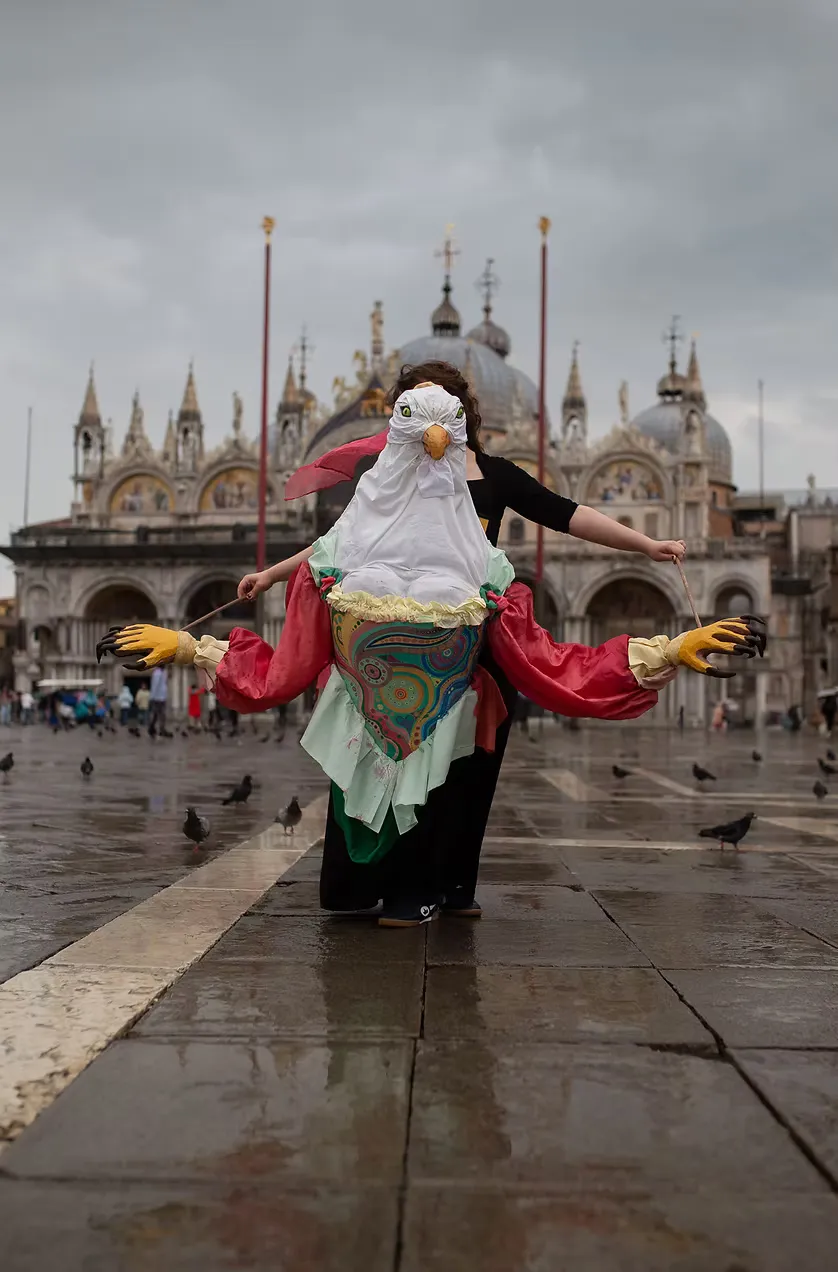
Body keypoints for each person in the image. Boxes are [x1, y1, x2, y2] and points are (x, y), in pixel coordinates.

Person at [96, 370, 765, 927]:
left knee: (464, 772)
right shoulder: (388, 478)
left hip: (469, 628)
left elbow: (565, 515)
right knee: (382, 764)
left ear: (461, 416)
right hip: (387, 644)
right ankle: (381, 887)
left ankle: (448, 887)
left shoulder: (493, 475)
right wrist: (272, 575)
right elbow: (341, 542)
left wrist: (649, 546)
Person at [148, 666, 168, 734]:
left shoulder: (163, 672)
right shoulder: (157, 673)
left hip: (162, 697)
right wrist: (152, 697)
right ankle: (160, 729)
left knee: (157, 714)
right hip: (157, 698)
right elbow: (154, 686)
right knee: (161, 714)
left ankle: (152, 727)